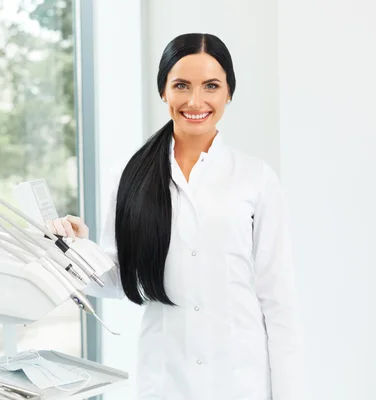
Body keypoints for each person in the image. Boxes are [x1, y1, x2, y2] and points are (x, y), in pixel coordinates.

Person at [47, 33, 306, 400]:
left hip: (240, 381)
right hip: (165, 380)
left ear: (229, 93)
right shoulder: (132, 175)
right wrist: (74, 249)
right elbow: (118, 282)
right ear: (163, 92)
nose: (195, 100)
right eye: (181, 85)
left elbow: (278, 300)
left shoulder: (256, 178)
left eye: (211, 86)